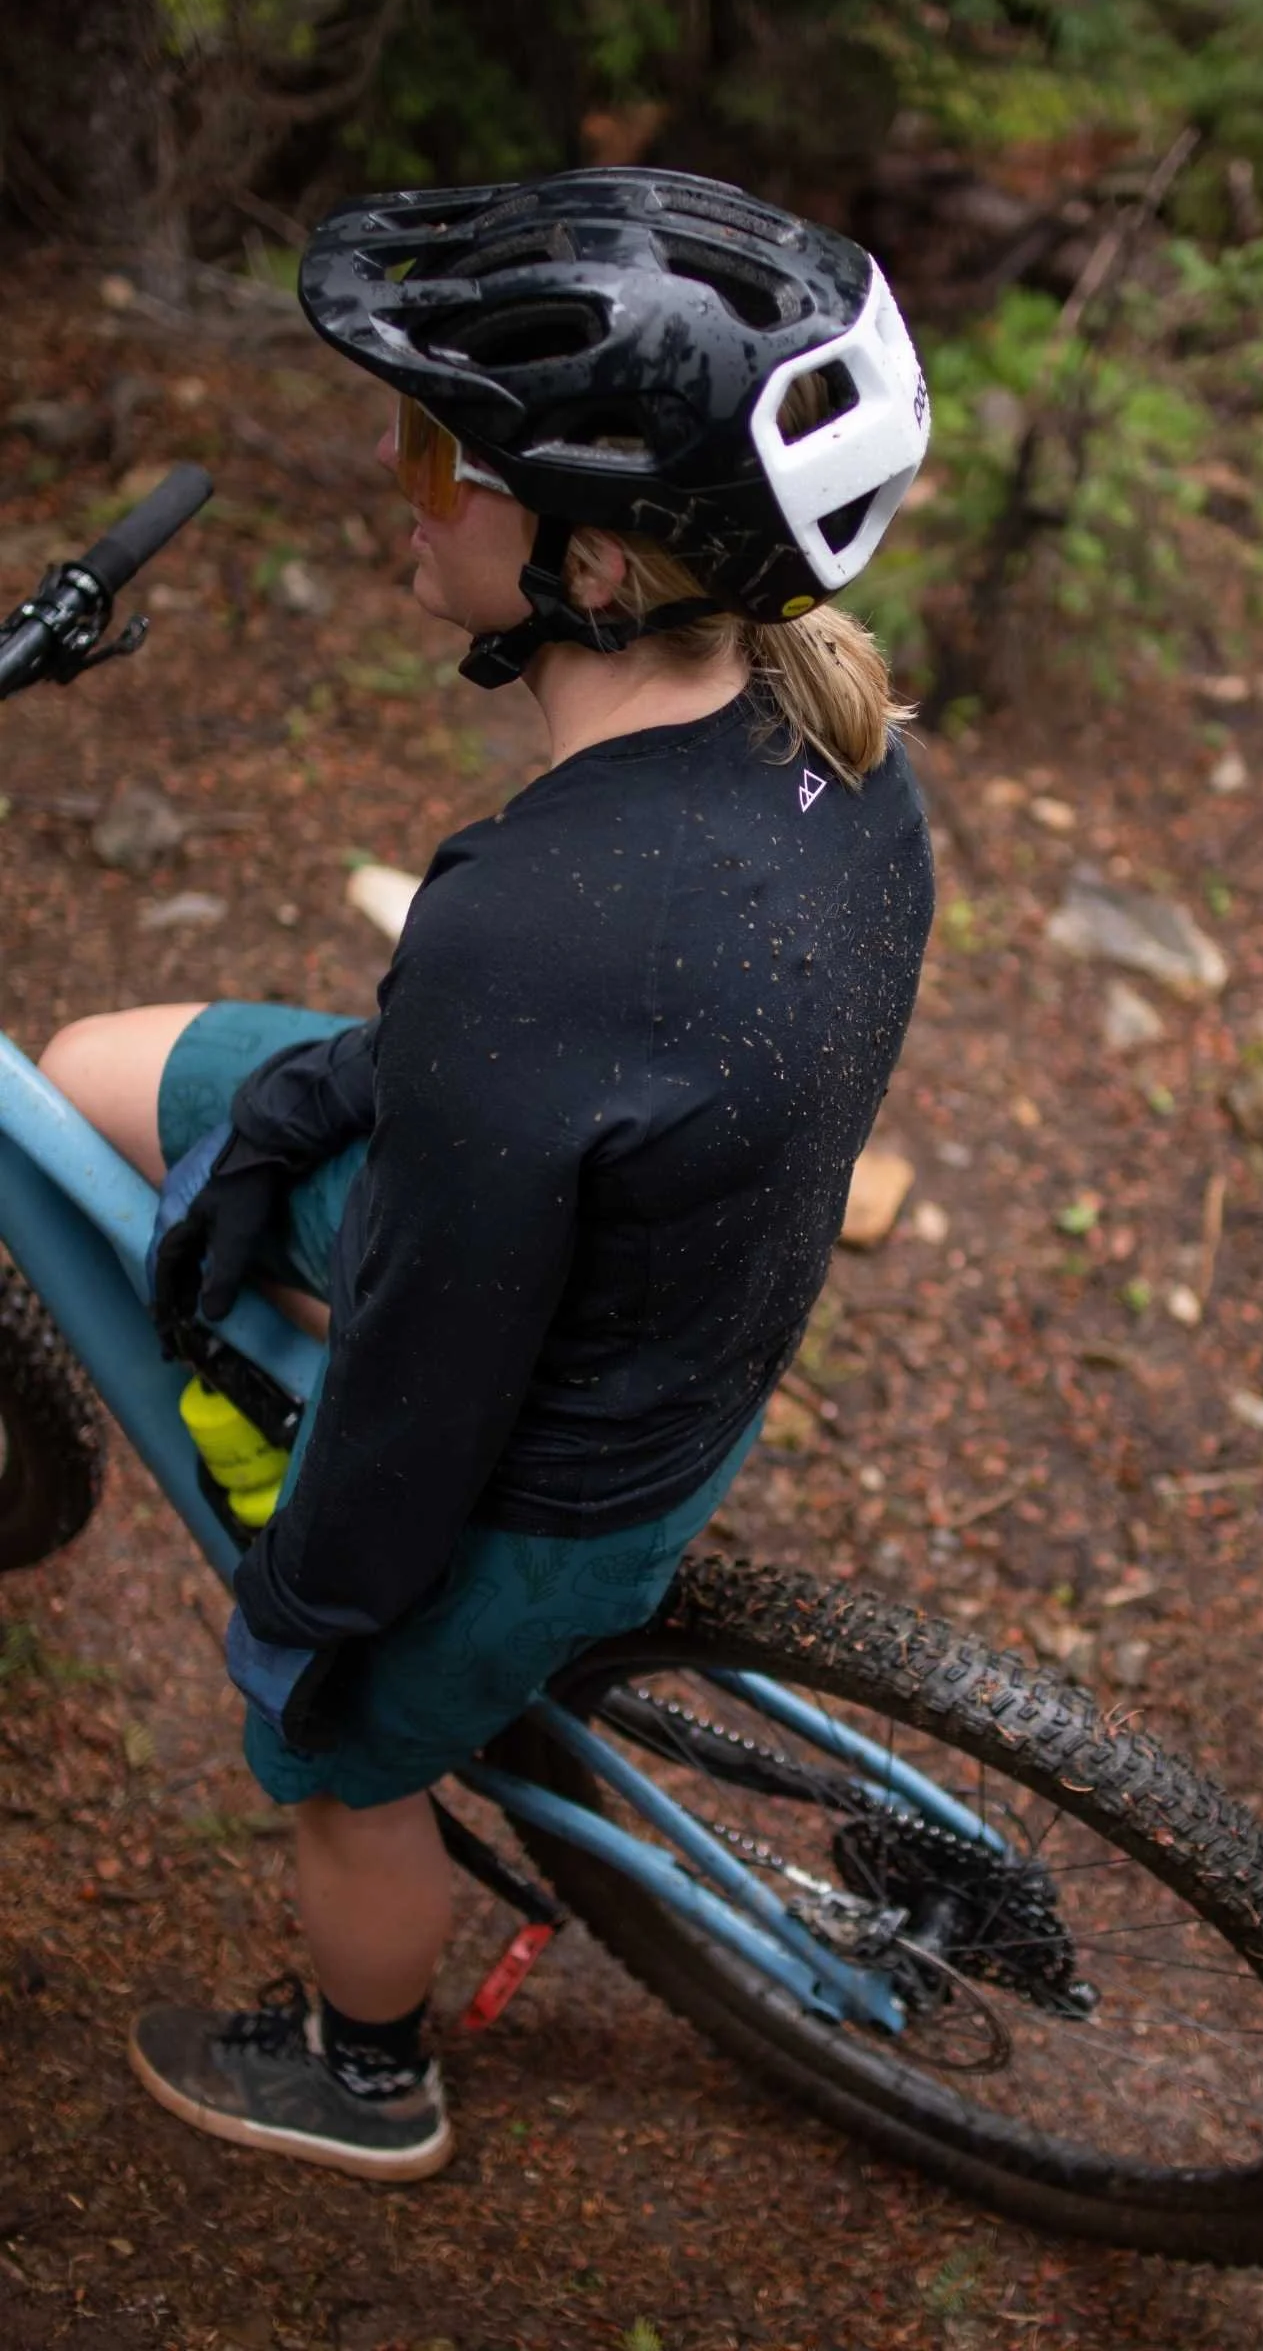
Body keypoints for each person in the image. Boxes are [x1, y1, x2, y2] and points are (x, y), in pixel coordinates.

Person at [39, 167, 934, 2181]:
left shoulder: (536, 927)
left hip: (555, 1458)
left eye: (440, 451)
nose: (400, 475)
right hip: (630, 1250)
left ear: (596, 567)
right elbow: (557, 1088)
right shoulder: (843, 757)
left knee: (343, 1781)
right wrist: (333, 1114)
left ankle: (361, 2070)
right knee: (91, 1073)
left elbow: (438, 1363)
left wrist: (318, 1609)